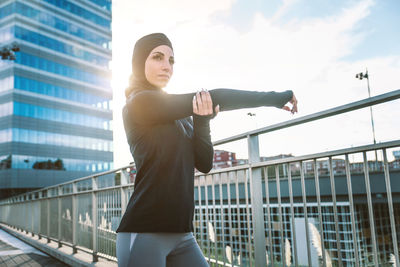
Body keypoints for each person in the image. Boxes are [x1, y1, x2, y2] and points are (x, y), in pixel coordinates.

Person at [116, 33, 298, 267]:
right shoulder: (138, 103)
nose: (166, 66)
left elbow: (204, 163)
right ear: (139, 63)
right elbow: (218, 96)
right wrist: (277, 98)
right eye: (157, 57)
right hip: (144, 230)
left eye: (171, 60)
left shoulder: (181, 117)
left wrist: (202, 121)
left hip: (182, 233)